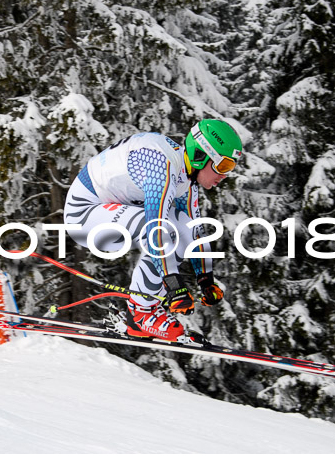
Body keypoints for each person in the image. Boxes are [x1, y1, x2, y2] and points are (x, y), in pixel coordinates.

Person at [63, 119, 243, 341]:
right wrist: (174, 286)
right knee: (162, 229)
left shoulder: (185, 177)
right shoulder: (162, 166)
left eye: (230, 168)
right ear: (200, 156)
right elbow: (156, 228)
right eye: (223, 166)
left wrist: (205, 279)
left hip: (105, 211)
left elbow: (193, 232)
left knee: (179, 224)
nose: (224, 175)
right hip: (82, 215)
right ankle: (141, 314)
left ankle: (147, 309)